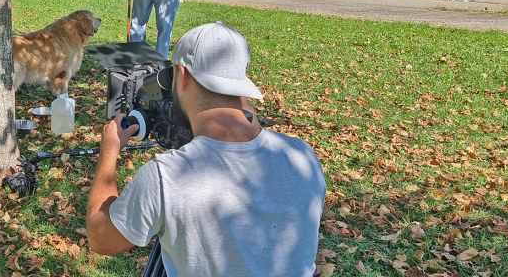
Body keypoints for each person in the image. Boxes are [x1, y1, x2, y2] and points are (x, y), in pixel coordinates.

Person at [85, 22, 327, 277]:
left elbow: (101, 239)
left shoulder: (167, 177)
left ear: (183, 75)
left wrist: (109, 150)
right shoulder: (303, 156)